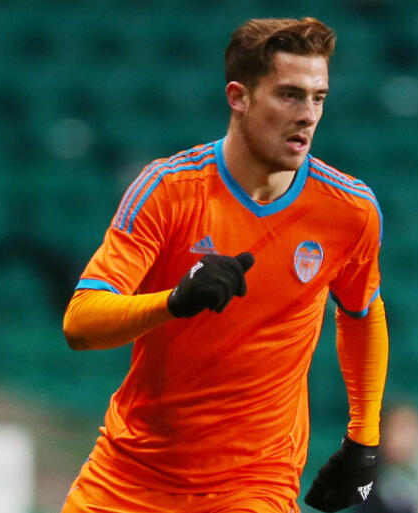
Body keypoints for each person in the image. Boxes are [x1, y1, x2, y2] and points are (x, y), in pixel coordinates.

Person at [60, 17, 389, 513]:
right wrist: (174, 301)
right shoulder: (167, 191)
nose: (307, 115)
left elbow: (362, 313)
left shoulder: (350, 212)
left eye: (318, 98)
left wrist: (364, 441)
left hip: (253, 484)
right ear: (239, 97)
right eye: (290, 95)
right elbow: (80, 323)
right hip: (129, 476)